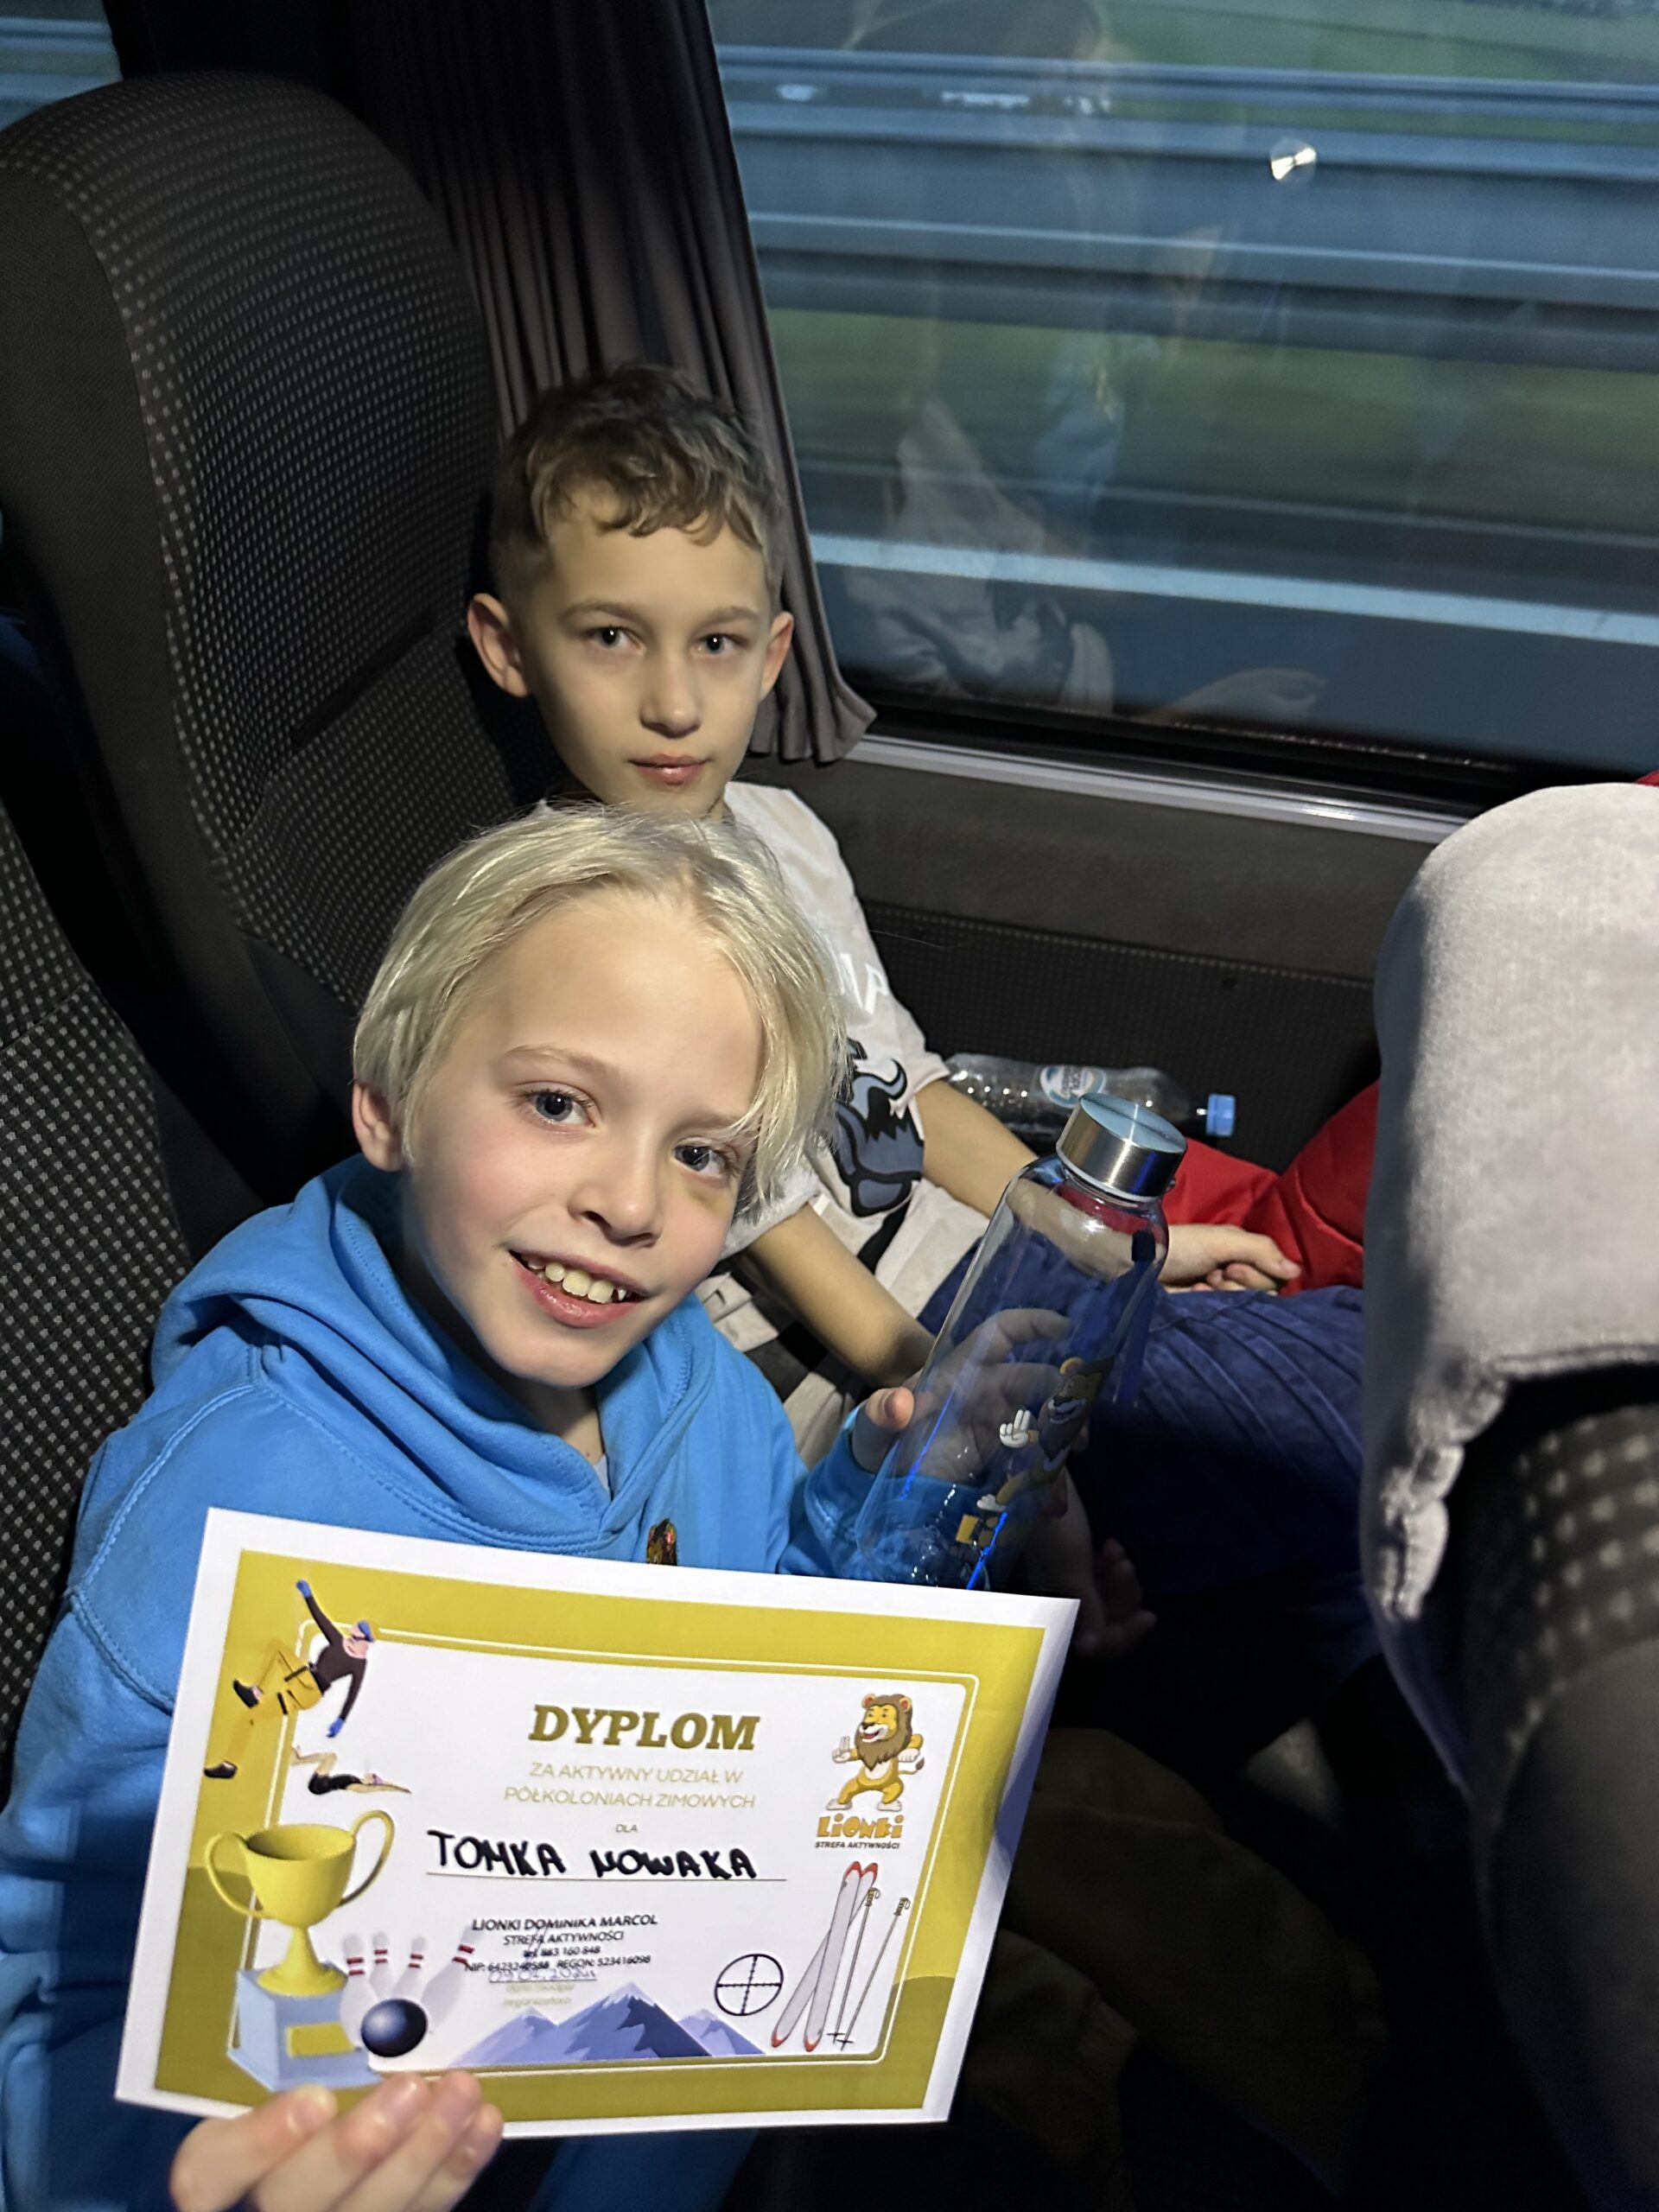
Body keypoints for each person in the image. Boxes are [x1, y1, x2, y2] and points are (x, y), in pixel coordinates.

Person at [0, 806, 931, 2212]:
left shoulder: (700, 1388)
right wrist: (198, 2182)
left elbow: (759, 1657)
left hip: (693, 2085)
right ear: (389, 1102)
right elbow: (64, 1994)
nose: (630, 1203)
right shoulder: (236, 1504)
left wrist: (868, 1516)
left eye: (703, 1154)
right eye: (558, 1104)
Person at [466, 364, 1371, 1684]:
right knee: (1382, 1417)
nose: (674, 702)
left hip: (972, 1285)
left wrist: (1112, 1259)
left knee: (1365, 1379)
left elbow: (916, 1091)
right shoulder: (593, 934)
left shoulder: (781, 833)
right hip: (870, 1372)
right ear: (508, 648)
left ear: (775, 652)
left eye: (716, 645)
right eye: (612, 639)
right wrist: (981, 1425)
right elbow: (777, 1240)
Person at [203, 1580, 374, 1780]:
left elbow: (354, 1691)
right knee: (249, 1716)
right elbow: (321, 1619)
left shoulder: (359, 1663)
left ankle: (256, 1692)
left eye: (355, 1637)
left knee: (277, 1647)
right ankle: (229, 1765)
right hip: (305, 1693)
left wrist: (342, 1719)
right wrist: (308, 1596)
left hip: (309, 1686)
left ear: (364, 1642)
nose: (351, 1639)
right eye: (351, 1635)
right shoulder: (339, 1641)